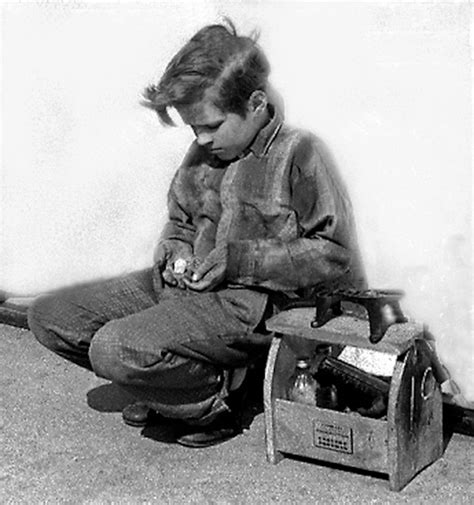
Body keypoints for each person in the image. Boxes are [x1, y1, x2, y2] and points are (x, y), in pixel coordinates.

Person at [28, 21, 366, 447]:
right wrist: (172, 244)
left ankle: (217, 398)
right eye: (193, 129)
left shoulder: (299, 153)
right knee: (51, 318)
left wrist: (239, 259)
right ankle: (167, 388)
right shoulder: (205, 150)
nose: (202, 139)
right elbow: (182, 218)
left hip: (245, 304)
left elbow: (333, 255)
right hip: (180, 291)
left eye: (211, 125)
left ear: (256, 103)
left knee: (113, 350)